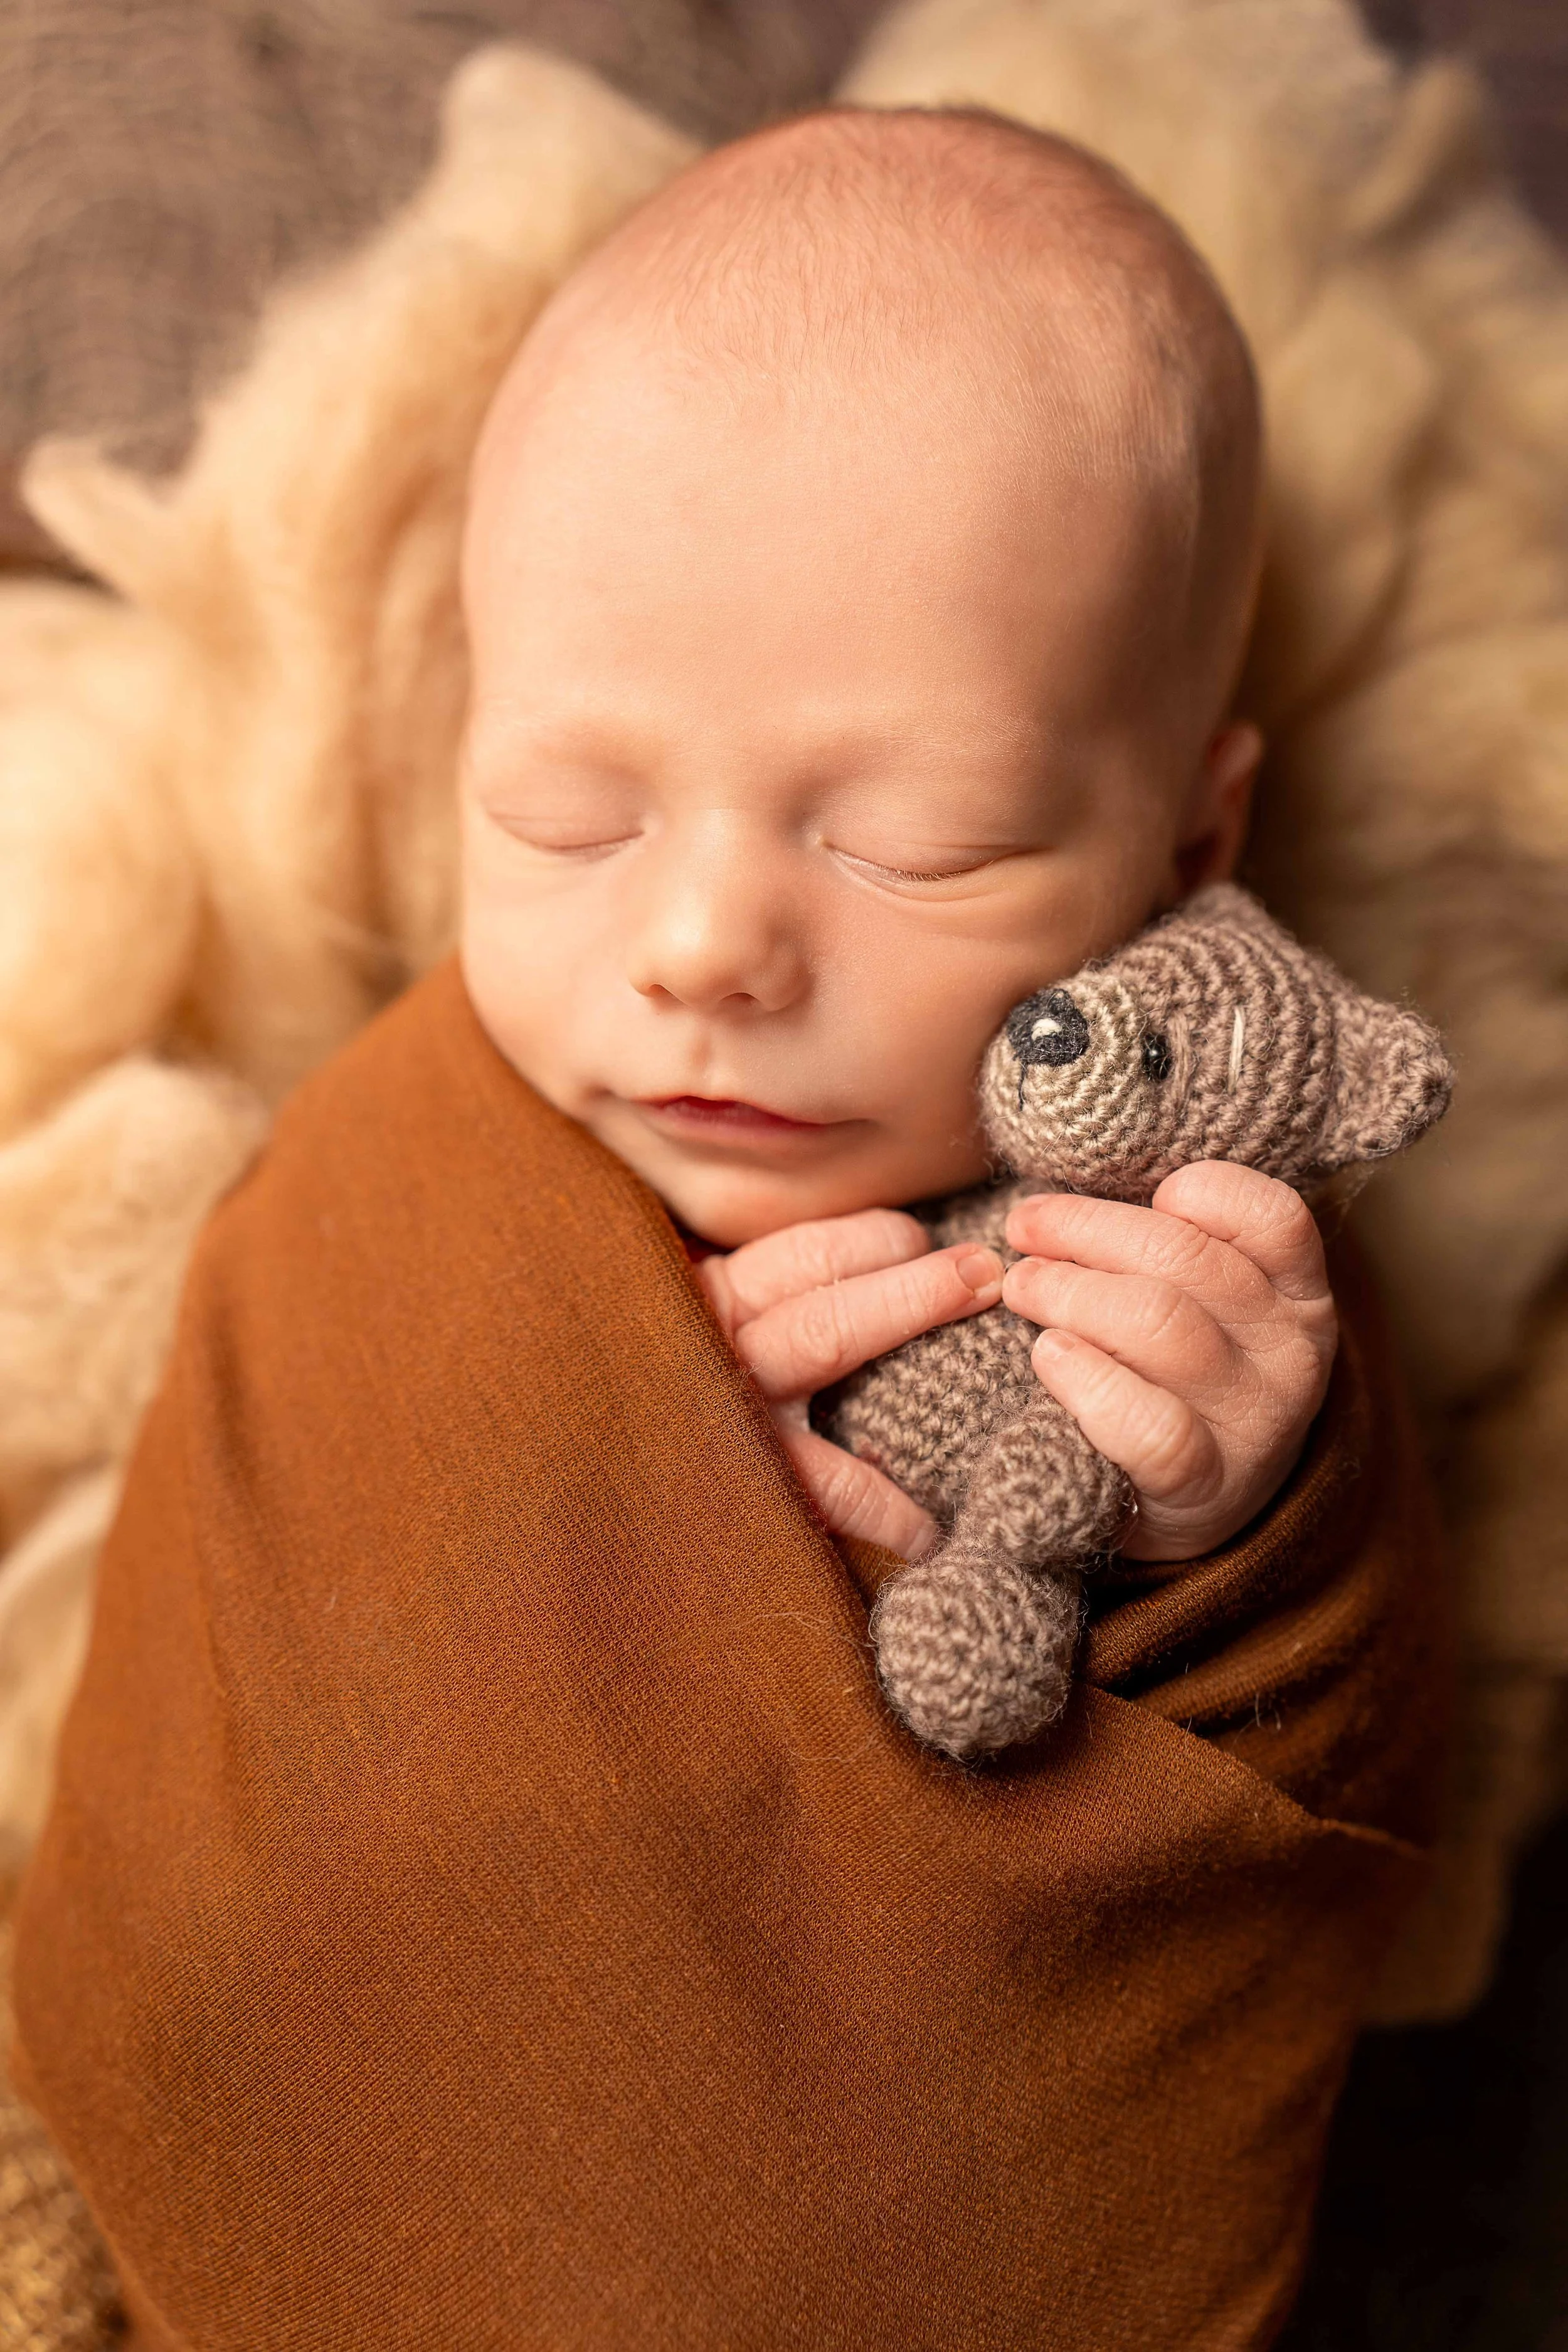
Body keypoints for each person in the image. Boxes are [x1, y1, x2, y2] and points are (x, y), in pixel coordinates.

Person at [12, 106, 1447, 2351]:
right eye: (562, 812)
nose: (696, 944)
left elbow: (1330, 1765)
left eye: (908, 840)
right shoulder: (401, 1174)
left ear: (1193, 833)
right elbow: (232, 1730)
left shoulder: (1189, 1225)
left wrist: (1229, 1508)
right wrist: (597, 1514)